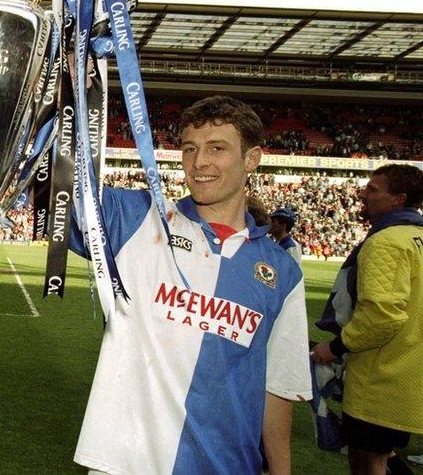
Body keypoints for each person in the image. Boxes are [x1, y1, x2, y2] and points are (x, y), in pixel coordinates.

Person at [73, 96, 311, 474]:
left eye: (217, 148)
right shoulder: (138, 220)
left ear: (251, 159)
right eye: (190, 149)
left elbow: (278, 388)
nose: (200, 163)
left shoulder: (283, 272)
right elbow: (53, 185)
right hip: (123, 464)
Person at [311, 164, 423, 475]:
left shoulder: (386, 241)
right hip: (407, 372)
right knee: (381, 455)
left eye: (374, 190)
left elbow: (382, 316)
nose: (364, 194)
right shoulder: (417, 236)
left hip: (380, 377)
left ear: (397, 199)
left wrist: (335, 347)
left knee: (368, 461)